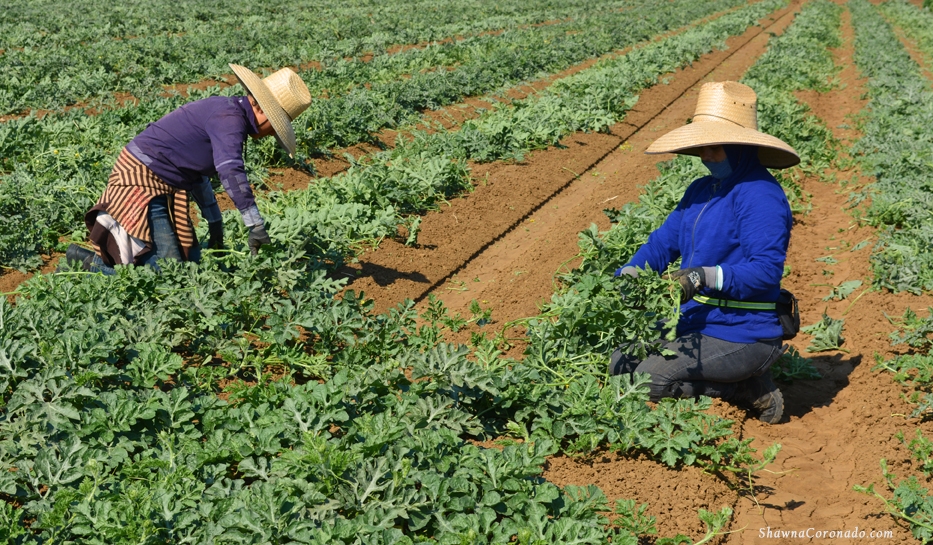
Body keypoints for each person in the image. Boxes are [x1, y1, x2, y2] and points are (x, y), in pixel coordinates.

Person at [609, 81, 799, 424]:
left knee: (649, 380)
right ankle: (732, 382)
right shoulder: (701, 189)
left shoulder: (760, 195)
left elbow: (766, 272)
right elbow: (662, 243)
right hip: (696, 320)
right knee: (621, 364)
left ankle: (750, 389)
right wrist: (632, 272)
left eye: (716, 147)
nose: (707, 156)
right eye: (703, 147)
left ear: (739, 146)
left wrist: (704, 276)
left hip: (743, 331)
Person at [64, 64, 312, 273]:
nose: (272, 135)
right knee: (167, 272)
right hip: (141, 179)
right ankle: (87, 264)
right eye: (276, 127)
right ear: (263, 111)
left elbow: (198, 173)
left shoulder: (230, 113)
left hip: (167, 182)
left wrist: (215, 225)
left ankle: (105, 262)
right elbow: (230, 171)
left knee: (190, 260)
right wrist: (255, 225)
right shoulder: (229, 120)